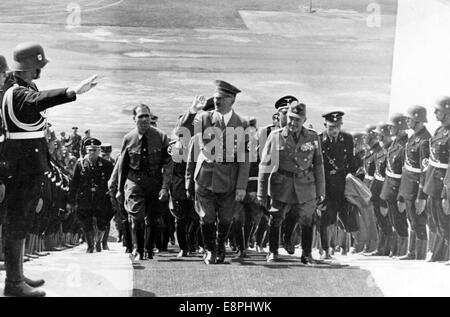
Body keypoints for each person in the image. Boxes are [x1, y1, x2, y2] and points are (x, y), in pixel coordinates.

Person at [1, 42, 97, 297]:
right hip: (21, 166)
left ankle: (17, 275)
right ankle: (13, 283)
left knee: (21, 221)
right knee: (16, 222)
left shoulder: (23, 87)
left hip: (27, 165)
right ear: (31, 66)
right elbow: (38, 101)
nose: (41, 70)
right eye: (39, 65)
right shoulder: (17, 93)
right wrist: (71, 91)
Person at [185, 80, 250, 265]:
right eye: (215, 98)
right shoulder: (204, 118)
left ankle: (221, 246)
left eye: (221, 99)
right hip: (205, 176)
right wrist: (192, 112)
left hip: (229, 179)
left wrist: (241, 186)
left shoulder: (243, 123)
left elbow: (246, 157)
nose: (216, 102)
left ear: (232, 100)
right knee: (206, 217)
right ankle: (210, 250)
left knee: (226, 218)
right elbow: (184, 132)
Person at [257, 101, 325, 264]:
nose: (293, 123)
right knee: (276, 217)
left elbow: (318, 165)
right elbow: (265, 165)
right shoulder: (275, 136)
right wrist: (261, 192)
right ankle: (273, 252)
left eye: (297, 120)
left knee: (307, 219)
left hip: (305, 185)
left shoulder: (312, 136)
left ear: (304, 120)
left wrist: (321, 191)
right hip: (282, 184)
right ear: (286, 117)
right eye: (291, 118)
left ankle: (307, 254)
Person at [116, 103, 173, 260]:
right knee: (137, 216)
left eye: (147, 116)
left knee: (153, 218)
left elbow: (168, 164)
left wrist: (164, 187)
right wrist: (120, 190)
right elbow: (123, 166)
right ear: (134, 119)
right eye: (141, 116)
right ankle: (139, 250)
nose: (145, 119)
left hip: (155, 181)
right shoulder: (128, 138)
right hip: (135, 181)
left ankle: (149, 248)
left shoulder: (162, 137)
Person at [318, 111, 356, 259]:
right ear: (325, 125)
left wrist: (353, 180)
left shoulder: (347, 139)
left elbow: (352, 163)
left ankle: (342, 247)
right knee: (325, 217)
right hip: (325, 184)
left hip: (342, 185)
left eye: (337, 126)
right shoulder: (319, 140)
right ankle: (325, 249)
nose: (334, 130)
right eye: (331, 126)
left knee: (343, 215)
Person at [397, 106, 431, 260]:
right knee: (412, 219)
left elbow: (425, 170)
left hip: (416, 187)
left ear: (417, 119)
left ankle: (419, 255)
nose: (407, 121)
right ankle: (412, 253)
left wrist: (421, 196)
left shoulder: (424, 140)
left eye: (409, 119)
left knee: (418, 221)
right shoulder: (413, 137)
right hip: (408, 186)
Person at [423, 96, 450, 263]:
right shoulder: (439, 131)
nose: (434, 113)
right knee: (434, 218)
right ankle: (440, 252)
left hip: (444, 183)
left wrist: (447, 189)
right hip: (432, 182)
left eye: (438, 110)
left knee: (445, 219)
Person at [379, 114, 409, 257]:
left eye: (392, 126)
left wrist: (402, 197)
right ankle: (394, 249)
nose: (390, 129)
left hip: (398, 189)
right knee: (393, 220)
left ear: (400, 127)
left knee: (400, 221)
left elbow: (406, 173)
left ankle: (402, 250)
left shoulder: (404, 146)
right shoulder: (394, 144)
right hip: (390, 188)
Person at [366, 122, 394, 257]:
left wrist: (384, 197)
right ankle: (381, 248)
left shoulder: (390, 151)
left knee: (386, 222)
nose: (379, 138)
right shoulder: (380, 152)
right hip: (377, 192)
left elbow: (389, 177)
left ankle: (388, 249)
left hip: (385, 193)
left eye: (381, 136)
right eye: (378, 136)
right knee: (380, 222)